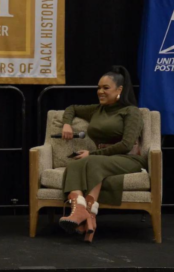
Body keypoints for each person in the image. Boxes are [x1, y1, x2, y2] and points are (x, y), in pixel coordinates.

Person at [58, 65, 146, 243]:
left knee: (91, 161)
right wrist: (66, 124)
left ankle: (81, 213)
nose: (100, 92)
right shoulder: (97, 110)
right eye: (98, 88)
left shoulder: (131, 112)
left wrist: (92, 153)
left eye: (106, 88)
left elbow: (126, 144)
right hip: (101, 159)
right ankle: (83, 213)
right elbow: (72, 108)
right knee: (75, 163)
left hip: (127, 158)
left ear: (119, 90)